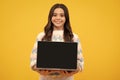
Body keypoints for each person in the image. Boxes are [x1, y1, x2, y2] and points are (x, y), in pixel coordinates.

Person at [30, 3, 84, 80]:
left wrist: (72, 72)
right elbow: (33, 61)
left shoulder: (74, 37)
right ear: (50, 17)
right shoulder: (41, 36)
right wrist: (42, 72)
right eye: (54, 15)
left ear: (66, 18)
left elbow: (80, 62)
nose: (58, 18)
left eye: (62, 15)